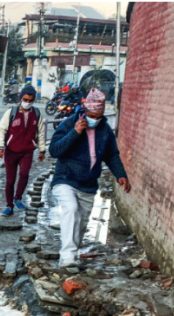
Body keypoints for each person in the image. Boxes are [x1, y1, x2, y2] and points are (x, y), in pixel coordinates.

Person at [48, 88, 131, 267]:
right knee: (70, 210)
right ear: (85, 111)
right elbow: (54, 150)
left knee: (82, 221)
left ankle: (72, 253)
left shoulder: (105, 130)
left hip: (88, 184)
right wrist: (75, 133)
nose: (95, 119)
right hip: (65, 179)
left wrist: (120, 174)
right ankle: (67, 257)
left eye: (98, 115)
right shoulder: (70, 124)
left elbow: (112, 155)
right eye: (92, 115)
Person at [0, 85, 45, 217]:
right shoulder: (11, 112)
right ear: (20, 98)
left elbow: (40, 133)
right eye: (25, 99)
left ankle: (18, 198)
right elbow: (1, 130)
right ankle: (9, 205)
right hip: (11, 151)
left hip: (27, 151)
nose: (27, 102)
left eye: (30, 100)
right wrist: (0, 147)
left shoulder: (37, 114)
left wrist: (42, 150)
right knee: (10, 180)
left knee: (24, 174)